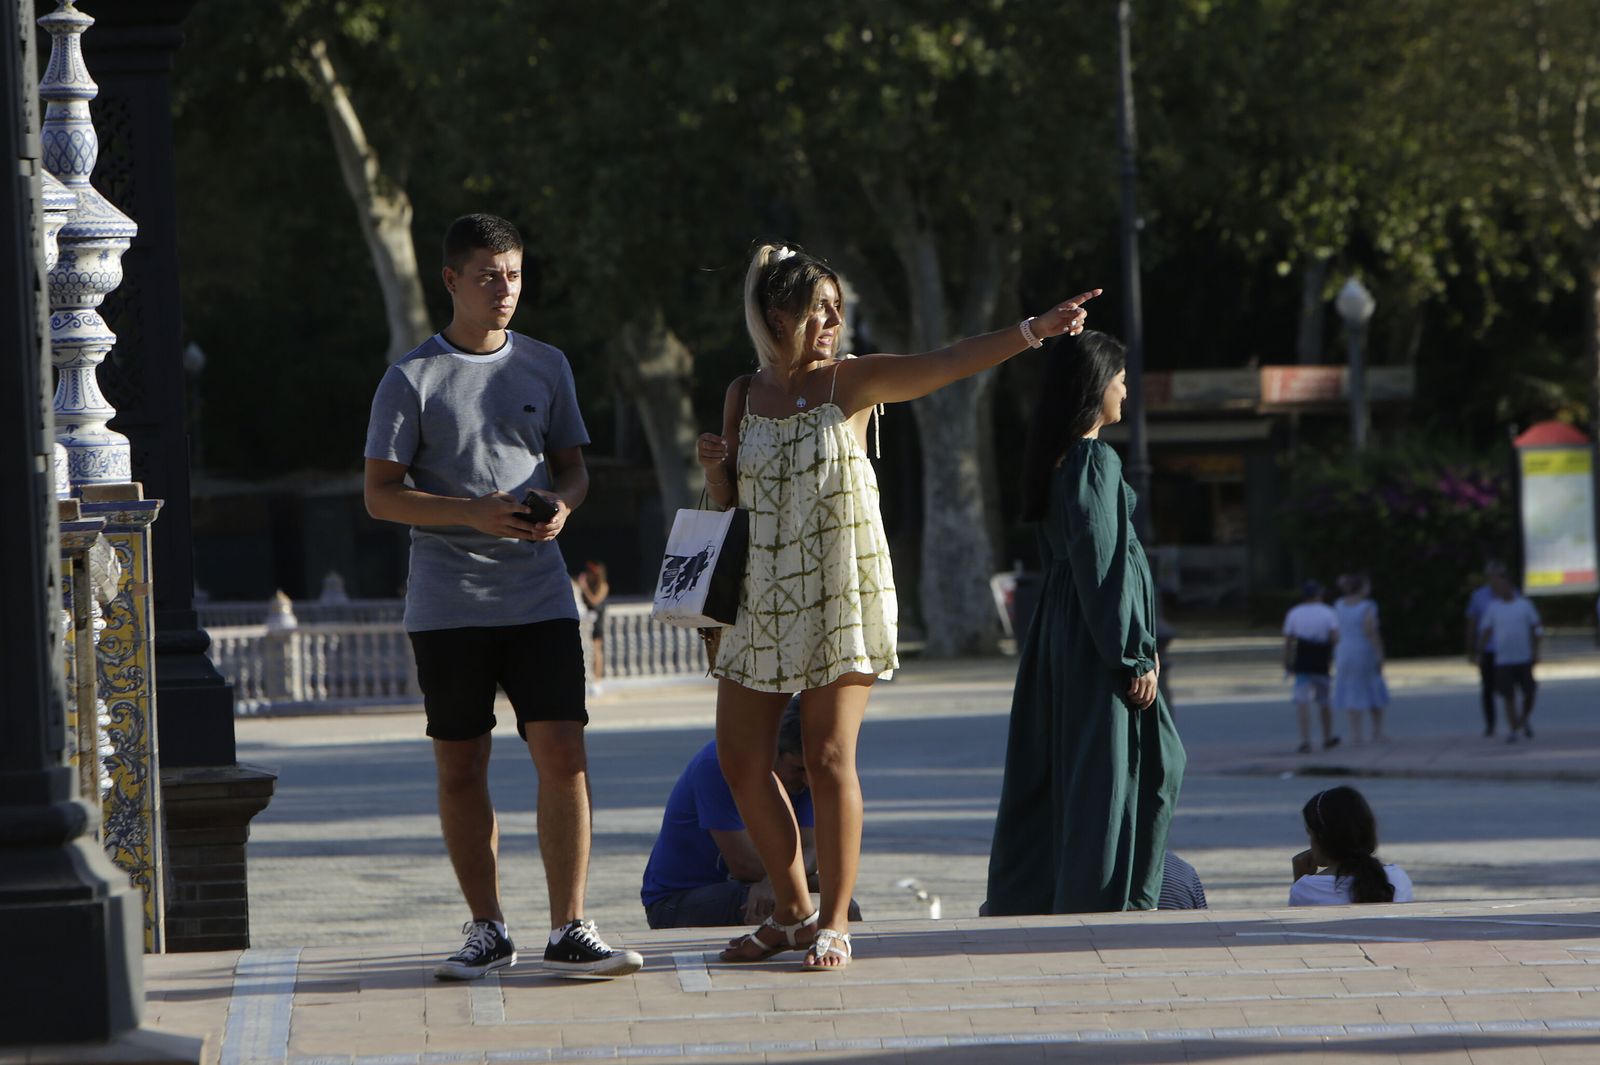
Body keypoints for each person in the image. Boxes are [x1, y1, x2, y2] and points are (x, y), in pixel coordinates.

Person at [697, 242, 1102, 969]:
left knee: (826, 755)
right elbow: (726, 506)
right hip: (758, 596)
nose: (830, 320)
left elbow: (947, 361)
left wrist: (1033, 330)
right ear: (774, 314)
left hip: (839, 589)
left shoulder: (850, 383)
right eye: (816, 308)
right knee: (739, 759)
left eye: (836, 307)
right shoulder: (740, 394)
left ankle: (831, 920)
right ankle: (788, 910)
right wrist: (712, 471)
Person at [363, 213, 642, 981]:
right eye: (488, 275)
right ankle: (487, 928)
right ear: (451, 280)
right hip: (448, 602)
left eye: (514, 274)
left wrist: (563, 503)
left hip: (540, 595)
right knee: (462, 764)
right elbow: (381, 497)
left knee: (565, 754)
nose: (504, 289)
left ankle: (570, 926)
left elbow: (575, 470)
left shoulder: (548, 364)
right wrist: (468, 512)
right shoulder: (410, 377)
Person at [984, 330, 1186, 916]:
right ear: (1096, 386)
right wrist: (1132, 653)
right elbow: (1103, 563)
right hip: (1096, 638)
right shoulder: (1093, 460)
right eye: (1120, 380)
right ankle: (1105, 903)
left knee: (1075, 770)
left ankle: (1059, 897)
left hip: (1065, 634)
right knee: (1122, 772)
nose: (1126, 390)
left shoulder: (1061, 459)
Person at [641, 697, 863, 929]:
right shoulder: (718, 766)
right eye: (798, 769)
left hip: (750, 882)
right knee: (779, 903)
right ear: (772, 751)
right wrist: (800, 882)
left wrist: (779, 882)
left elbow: (813, 849)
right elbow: (744, 865)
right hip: (676, 901)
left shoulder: (810, 775)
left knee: (844, 906)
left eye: (811, 769)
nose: (807, 780)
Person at [1289, 786, 1413, 905]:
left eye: (1310, 834)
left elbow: (1296, 925)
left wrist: (1300, 879)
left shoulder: (1307, 889)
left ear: (1321, 838)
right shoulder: (1398, 877)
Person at [1479, 570, 1543, 743]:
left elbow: (1536, 627)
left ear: (1510, 586)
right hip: (1503, 660)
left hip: (1523, 657)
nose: (1500, 588)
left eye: (1503, 584)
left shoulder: (1524, 605)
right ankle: (1514, 728)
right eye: (1497, 585)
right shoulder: (1494, 607)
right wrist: (1481, 652)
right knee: (1508, 696)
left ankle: (1523, 720)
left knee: (1529, 693)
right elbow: (1486, 631)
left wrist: (1536, 651)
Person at [1283, 580, 1340, 754]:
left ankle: (1305, 740)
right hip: (1321, 658)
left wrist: (1287, 661)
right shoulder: (1328, 612)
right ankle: (1327, 737)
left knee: (1302, 702)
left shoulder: (1295, 613)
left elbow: (1288, 640)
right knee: (1324, 700)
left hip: (1302, 659)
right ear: (1318, 595)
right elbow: (1335, 637)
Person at [1332, 573, 1389, 744]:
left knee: (1351, 689)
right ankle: (1377, 732)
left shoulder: (1338, 605)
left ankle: (1355, 733)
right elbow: (1370, 630)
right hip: (1363, 650)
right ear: (1361, 588)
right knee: (1373, 686)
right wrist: (1380, 652)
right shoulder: (1368, 606)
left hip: (1343, 650)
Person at [1464, 561, 1508, 736]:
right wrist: (1472, 650)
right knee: (1488, 689)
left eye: (1502, 575)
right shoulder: (1479, 596)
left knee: (1509, 688)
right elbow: (1472, 623)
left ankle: (1517, 721)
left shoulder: (1512, 594)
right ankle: (1491, 725)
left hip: (1508, 649)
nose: (1500, 579)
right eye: (1496, 575)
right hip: (1488, 649)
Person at [576, 561, 610, 695]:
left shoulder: (603, 585)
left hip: (597, 620)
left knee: (596, 650)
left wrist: (585, 588)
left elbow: (595, 601)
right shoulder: (587, 585)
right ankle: (588, 680)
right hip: (586, 620)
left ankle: (597, 681)